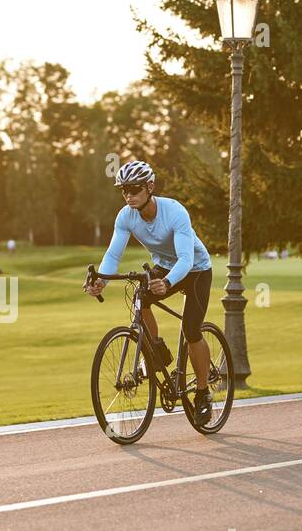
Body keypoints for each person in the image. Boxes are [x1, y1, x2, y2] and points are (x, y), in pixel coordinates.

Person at [84, 160, 215, 424]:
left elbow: (186, 260)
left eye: (134, 189)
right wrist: (102, 281)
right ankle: (157, 350)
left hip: (196, 270)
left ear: (150, 187)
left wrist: (166, 283)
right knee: (140, 298)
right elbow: (113, 254)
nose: (129, 196)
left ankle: (203, 394)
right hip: (166, 265)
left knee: (191, 331)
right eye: (124, 190)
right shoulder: (126, 216)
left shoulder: (175, 212)